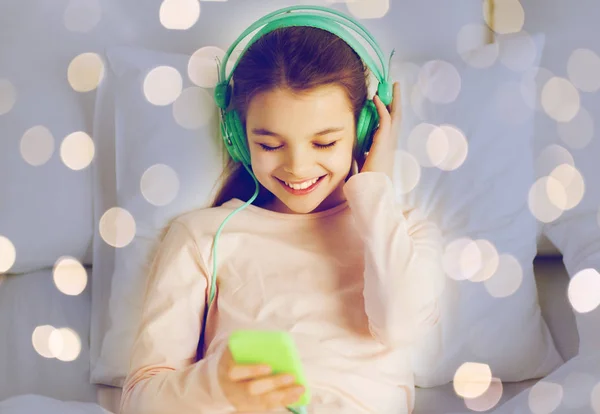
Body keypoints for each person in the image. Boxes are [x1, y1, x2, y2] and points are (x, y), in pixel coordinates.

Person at [119, 24, 445, 414]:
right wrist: (215, 386)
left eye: (324, 142)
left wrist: (375, 189)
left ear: (363, 130)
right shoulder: (202, 236)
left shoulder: (401, 231)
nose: (297, 167)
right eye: (270, 145)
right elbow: (139, 399)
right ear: (238, 137)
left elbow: (400, 326)